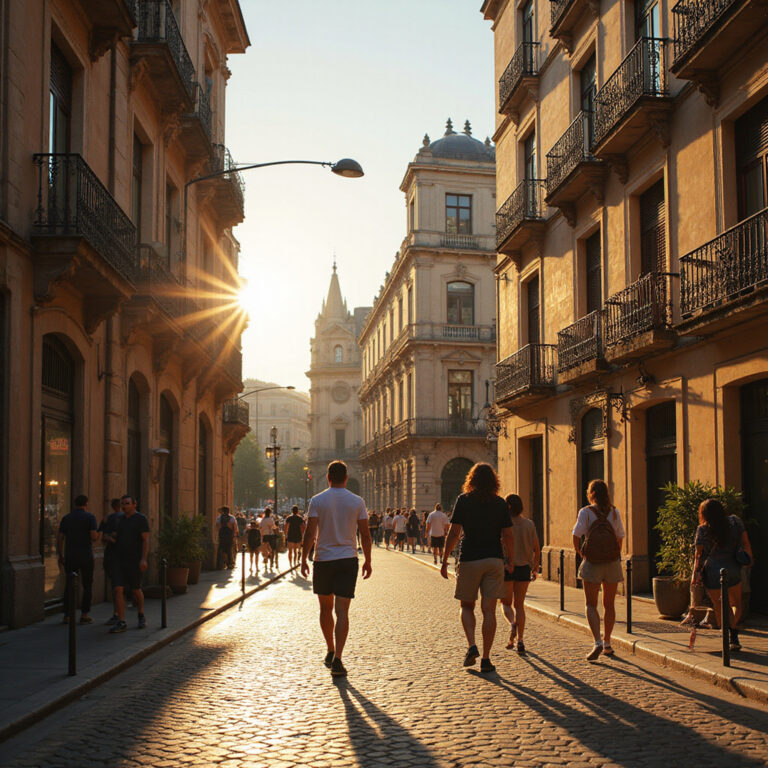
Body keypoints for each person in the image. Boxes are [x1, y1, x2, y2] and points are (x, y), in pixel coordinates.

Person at [301, 461, 372, 678]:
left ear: (328, 477)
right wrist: (368, 560)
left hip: (323, 560)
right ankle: (339, 658)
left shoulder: (317, 500)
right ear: (346, 478)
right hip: (348, 560)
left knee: (325, 609)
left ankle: (330, 649)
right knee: (342, 611)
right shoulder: (357, 501)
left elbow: (310, 533)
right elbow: (365, 534)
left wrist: (303, 559)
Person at [441, 463, 514, 674]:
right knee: (489, 610)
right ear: (494, 481)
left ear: (471, 479)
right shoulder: (500, 503)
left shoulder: (463, 500)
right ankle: (486, 658)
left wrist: (444, 559)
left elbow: (454, 533)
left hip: (470, 558)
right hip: (494, 559)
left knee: (466, 606)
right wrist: (510, 559)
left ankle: (472, 645)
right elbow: (508, 535)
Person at [572, 479, 625, 661]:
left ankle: (597, 641)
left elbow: (576, 535)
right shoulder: (614, 512)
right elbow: (620, 537)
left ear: (591, 494)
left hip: (592, 563)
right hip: (612, 563)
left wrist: (581, 553)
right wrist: (613, 554)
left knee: (590, 604)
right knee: (609, 605)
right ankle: (607, 643)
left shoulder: (586, 512)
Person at [692, 498, 753, 651]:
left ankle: (727, 635)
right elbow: (746, 543)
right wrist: (749, 559)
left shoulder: (702, 529)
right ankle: (733, 634)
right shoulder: (735, 522)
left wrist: (695, 575)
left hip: (712, 572)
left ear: (704, 514)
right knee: (736, 604)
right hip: (733, 569)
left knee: (720, 606)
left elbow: (698, 556)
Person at [500, 494, 540, 655]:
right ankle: (520, 640)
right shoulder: (529, 524)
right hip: (524, 568)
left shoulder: (504, 524)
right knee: (519, 605)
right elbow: (536, 548)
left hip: (507, 567)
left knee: (505, 603)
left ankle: (512, 624)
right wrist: (535, 567)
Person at [110, 495, 149, 633]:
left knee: (135, 589)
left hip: (134, 559)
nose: (124, 506)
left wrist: (143, 559)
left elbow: (145, 540)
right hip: (119, 559)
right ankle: (121, 621)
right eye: (123, 504)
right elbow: (117, 536)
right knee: (118, 589)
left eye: (127, 503)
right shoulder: (119, 519)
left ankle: (141, 613)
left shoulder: (141, 519)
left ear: (134, 504)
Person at [57, 494, 99, 624]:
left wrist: (60, 555)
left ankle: (67, 615)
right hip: (86, 555)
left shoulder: (66, 518)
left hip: (71, 555)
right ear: (86, 504)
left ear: (75, 504)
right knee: (87, 585)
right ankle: (84, 614)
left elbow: (60, 538)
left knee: (69, 585)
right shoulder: (90, 517)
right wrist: (98, 534)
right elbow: (93, 536)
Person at [99, 498, 123, 626]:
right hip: (119, 557)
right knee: (119, 587)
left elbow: (101, 538)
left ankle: (117, 614)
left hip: (112, 556)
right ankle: (121, 614)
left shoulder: (107, 519)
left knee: (115, 587)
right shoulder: (114, 519)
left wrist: (110, 538)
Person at [260, 508, 278, 573]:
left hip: (264, 535)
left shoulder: (262, 520)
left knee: (265, 548)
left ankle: (265, 559)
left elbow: (260, 527)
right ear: (270, 513)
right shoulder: (271, 519)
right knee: (272, 549)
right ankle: (271, 562)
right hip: (270, 535)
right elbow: (274, 527)